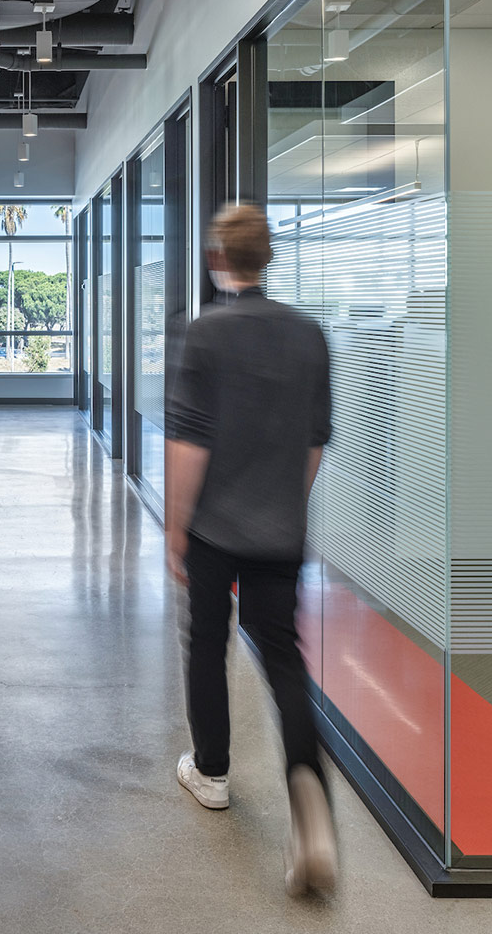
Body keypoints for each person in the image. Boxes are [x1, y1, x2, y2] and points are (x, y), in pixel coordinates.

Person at [163, 203, 337, 897]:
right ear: (267, 257)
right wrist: (286, 507)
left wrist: (177, 527)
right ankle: (310, 798)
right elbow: (315, 442)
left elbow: (188, 446)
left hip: (215, 529)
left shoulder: (205, 334)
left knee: (208, 642)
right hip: (279, 527)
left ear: (217, 259)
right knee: (283, 658)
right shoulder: (308, 335)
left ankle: (211, 771)